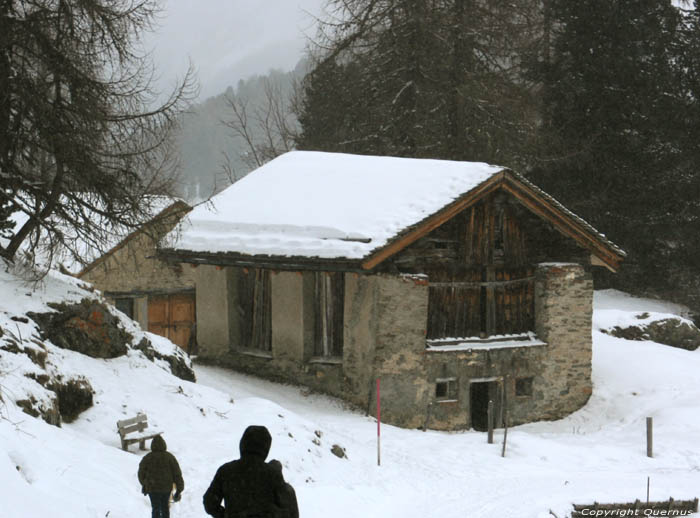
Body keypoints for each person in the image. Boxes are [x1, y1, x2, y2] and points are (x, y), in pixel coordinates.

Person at [203, 425, 288, 518]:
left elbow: (209, 502)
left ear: (243, 443)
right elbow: (287, 510)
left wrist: (224, 515)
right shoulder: (273, 474)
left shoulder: (226, 470)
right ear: (266, 448)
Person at [138, 435, 184, 518]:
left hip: (152, 488)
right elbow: (177, 474)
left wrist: (145, 484)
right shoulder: (170, 457)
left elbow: (141, 473)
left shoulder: (147, 458)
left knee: (155, 509)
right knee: (165, 508)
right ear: (164, 444)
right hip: (166, 489)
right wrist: (179, 490)